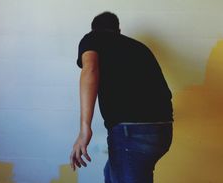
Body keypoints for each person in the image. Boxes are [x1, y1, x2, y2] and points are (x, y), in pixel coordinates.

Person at [69, 11, 173, 183]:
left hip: (131, 134)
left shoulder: (92, 38)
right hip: (162, 132)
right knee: (110, 174)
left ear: (94, 29)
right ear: (118, 30)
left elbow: (90, 70)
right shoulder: (139, 47)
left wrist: (84, 128)